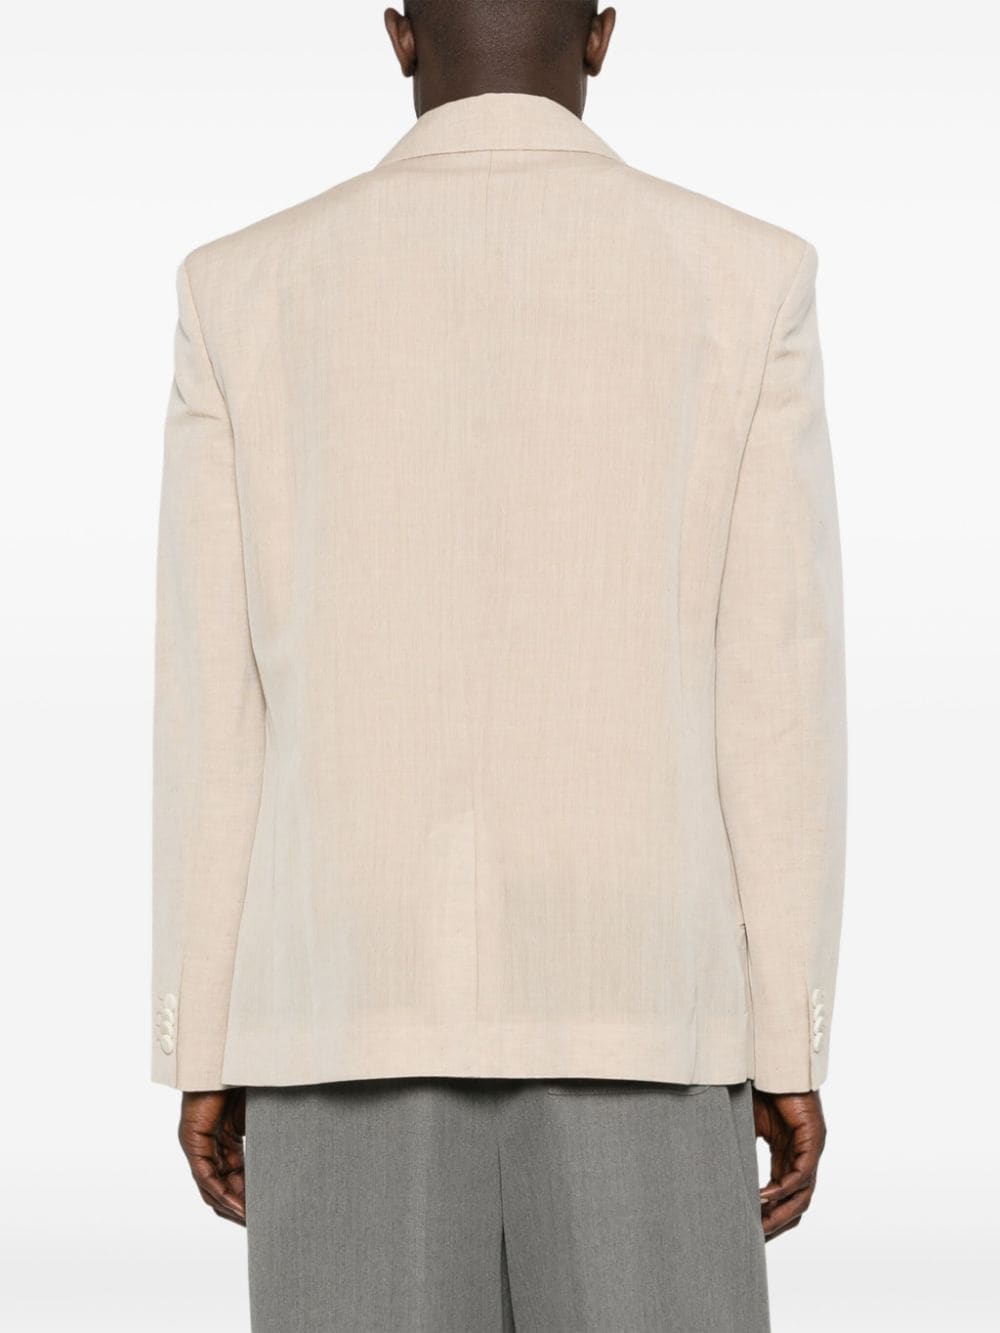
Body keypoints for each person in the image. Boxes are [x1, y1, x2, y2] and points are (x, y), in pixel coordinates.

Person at [151, 2, 847, 1329]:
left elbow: (212, 703)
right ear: (603, 36)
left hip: (343, 996)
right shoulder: (743, 275)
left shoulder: (242, 288)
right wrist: (785, 1032)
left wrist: (209, 1030)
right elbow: (776, 690)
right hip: (646, 995)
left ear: (399, 38)